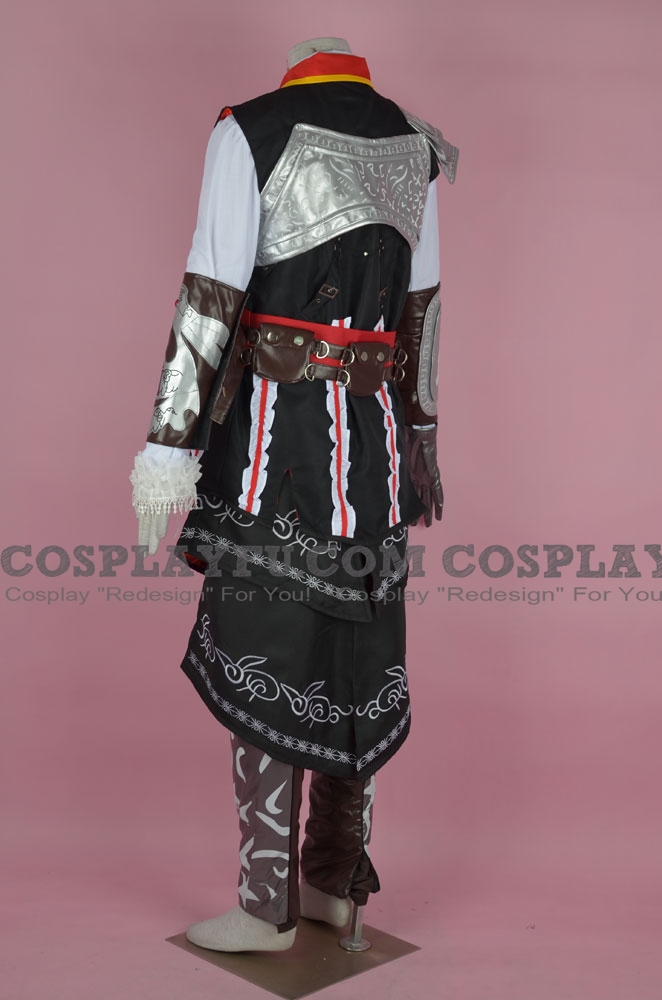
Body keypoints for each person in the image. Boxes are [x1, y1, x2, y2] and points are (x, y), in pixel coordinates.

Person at [130, 37, 458, 952]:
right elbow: (422, 313)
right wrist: (423, 441)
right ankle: (332, 888)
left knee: (265, 645)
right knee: (353, 650)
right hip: (375, 450)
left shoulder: (252, 131)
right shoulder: (416, 144)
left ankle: (265, 907)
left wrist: (167, 448)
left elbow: (211, 295)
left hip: (274, 447)